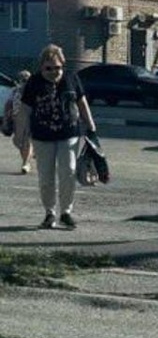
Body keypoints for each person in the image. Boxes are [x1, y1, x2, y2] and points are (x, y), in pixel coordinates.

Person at [20, 45, 96, 229]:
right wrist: (22, 134)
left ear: (63, 65)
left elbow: (82, 102)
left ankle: (66, 213)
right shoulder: (34, 83)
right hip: (42, 136)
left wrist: (91, 126)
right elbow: (25, 110)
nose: (54, 72)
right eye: (49, 68)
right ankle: (49, 213)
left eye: (57, 67)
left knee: (68, 171)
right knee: (46, 177)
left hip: (69, 133)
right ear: (41, 67)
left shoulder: (71, 78)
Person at [8, 69, 33, 174]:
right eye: (22, 79)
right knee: (18, 141)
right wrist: (6, 118)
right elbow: (9, 104)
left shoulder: (33, 91)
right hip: (17, 118)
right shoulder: (15, 91)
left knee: (27, 142)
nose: (24, 81)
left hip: (30, 118)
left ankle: (25, 163)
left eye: (26, 79)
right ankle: (28, 158)